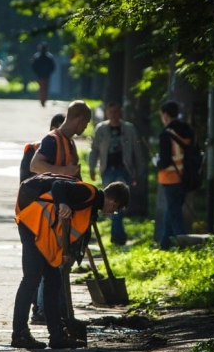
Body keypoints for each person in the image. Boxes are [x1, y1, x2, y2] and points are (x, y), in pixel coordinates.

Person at [11, 174, 130, 349]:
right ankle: (19, 334)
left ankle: (57, 335)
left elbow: (66, 230)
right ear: (114, 203)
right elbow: (59, 185)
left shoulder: (90, 207)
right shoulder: (88, 192)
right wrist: (63, 203)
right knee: (31, 278)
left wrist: (65, 253)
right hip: (33, 225)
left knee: (53, 281)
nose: (113, 212)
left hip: (45, 236)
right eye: (116, 209)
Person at [18, 112, 66, 325]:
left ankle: (54, 318)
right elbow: (27, 185)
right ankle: (38, 313)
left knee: (52, 271)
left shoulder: (68, 151)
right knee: (35, 273)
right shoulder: (35, 151)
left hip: (56, 220)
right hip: (36, 220)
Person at [87, 102, 145, 246]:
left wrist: (138, 171)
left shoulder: (129, 129)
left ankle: (117, 237)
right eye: (111, 111)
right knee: (111, 202)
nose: (114, 114)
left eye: (116, 111)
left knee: (118, 201)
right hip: (107, 170)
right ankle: (118, 236)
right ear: (107, 113)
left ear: (121, 113)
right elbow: (94, 149)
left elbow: (137, 151)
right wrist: (92, 167)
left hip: (124, 169)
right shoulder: (101, 129)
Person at [155, 100, 194, 250]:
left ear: (165, 114)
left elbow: (165, 161)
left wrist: (156, 162)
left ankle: (184, 246)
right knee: (171, 211)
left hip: (170, 178)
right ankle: (164, 244)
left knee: (175, 214)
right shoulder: (188, 130)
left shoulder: (166, 134)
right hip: (186, 177)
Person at [29, 99, 92, 178]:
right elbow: (35, 165)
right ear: (80, 119)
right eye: (87, 122)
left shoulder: (70, 142)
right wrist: (64, 171)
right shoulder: (52, 140)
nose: (86, 126)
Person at [19, 113, 65, 183]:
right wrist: (64, 171)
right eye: (62, 131)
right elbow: (25, 184)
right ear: (53, 129)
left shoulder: (70, 149)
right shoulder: (33, 149)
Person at [30, 42, 56, 107]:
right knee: (44, 88)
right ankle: (43, 100)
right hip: (44, 75)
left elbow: (33, 66)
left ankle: (43, 100)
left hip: (42, 75)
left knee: (42, 88)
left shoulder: (38, 57)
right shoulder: (48, 57)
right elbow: (53, 67)